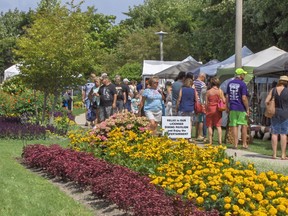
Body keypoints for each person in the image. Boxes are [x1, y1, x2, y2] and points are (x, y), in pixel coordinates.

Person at [265, 75, 288, 160]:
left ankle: (274, 154)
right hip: (285, 114)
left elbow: (266, 101)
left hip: (274, 113)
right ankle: (283, 155)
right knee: (283, 133)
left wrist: (270, 106)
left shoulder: (273, 90)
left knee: (274, 133)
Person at [226, 68, 249, 149]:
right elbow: (244, 97)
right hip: (241, 108)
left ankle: (235, 144)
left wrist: (227, 106)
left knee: (234, 125)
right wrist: (247, 108)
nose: (244, 76)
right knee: (244, 125)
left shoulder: (229, 83)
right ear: (241, 75)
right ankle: (244, 144)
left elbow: (227, 96)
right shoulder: (243, 84)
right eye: (244, 74)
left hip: (232, 107)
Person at [206, 77, 225, 145]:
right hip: (218, 109)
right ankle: (220, 141)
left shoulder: (208, 91)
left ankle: (210, 141)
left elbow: (206, 103)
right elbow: (224, 101)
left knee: (210, 126)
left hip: (210, 109)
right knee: (218, 126)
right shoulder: (220, 91)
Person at [176, 78, 196, 142]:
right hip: (191, 108)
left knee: (181, 123)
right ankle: (188, 136)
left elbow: (179, 98)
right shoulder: (193, 90)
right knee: (189, 123)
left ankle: (181, 136)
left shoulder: (182, 89)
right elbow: (196, 99)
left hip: (182, 108)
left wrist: (177, 106)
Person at [194, 72, 207, 141]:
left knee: (196, 119)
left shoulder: (193, 82)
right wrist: (203, 103)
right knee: (201, 119)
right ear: (202, 77)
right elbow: (203, 95)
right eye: (204, 78)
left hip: (194, 102)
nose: (204, 79)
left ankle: (196, 133)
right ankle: (199, 134)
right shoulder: (202, 84)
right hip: (200, 103)